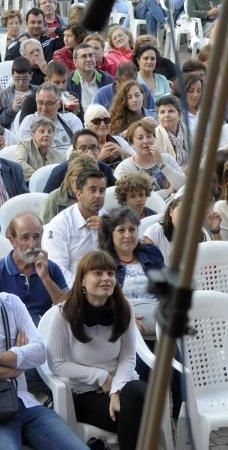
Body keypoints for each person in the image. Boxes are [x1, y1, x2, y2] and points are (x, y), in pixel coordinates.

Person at [46, 250, 148, 450]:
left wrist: (116, 389)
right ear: (82, 280)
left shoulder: (124, 307)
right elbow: (57, 364)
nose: (106, 278)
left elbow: (128, 357)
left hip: (122, 387)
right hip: (84, 394)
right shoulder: (63, 314)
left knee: (140, 392)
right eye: (98, 273)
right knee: (137, 415)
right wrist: (102, 377)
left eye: (110, 273)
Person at [98, 207, 164, 337]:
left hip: (161, 328)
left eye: (132, 229)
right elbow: (99, 302)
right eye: (121, 230)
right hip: (123, 330)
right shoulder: (103, 262)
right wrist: (123, 318)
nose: (128, 235)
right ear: (111, 234)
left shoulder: (151, 253)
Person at [42, 167, 107, 282]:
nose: (98, 195)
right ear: (78, 194)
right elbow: (57, 269)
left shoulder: (108, 219)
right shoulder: (59, 225)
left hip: (108, 285)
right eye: (92, 190)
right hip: (74, 291)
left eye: (102, 191)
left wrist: (108, 230)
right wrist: (83, 290)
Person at [1, 212, 68, 323]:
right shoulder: (2, 271)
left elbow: (69, 309)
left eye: (36, 237)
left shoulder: (50, 268)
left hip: (45, 333)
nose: (32, 245)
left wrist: (46, 278)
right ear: (13, 241)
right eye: (25, 238)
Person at [114, 119, 186, 198]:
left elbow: (184, 187)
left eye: (149, 136)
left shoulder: (167, 159)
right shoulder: (124, 168)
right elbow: (134, 199)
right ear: (131, 144)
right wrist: (167, 191)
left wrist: (162, 165)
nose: (146, 141)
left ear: (155, 139)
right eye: (140, 138)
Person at [14, 116, 65, 181]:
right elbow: (20, 163)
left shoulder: (60, 157)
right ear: (33, 134)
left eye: (49, 132)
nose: (46, 134)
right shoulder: (24, 145)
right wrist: (39, 178)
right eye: (42, 131)